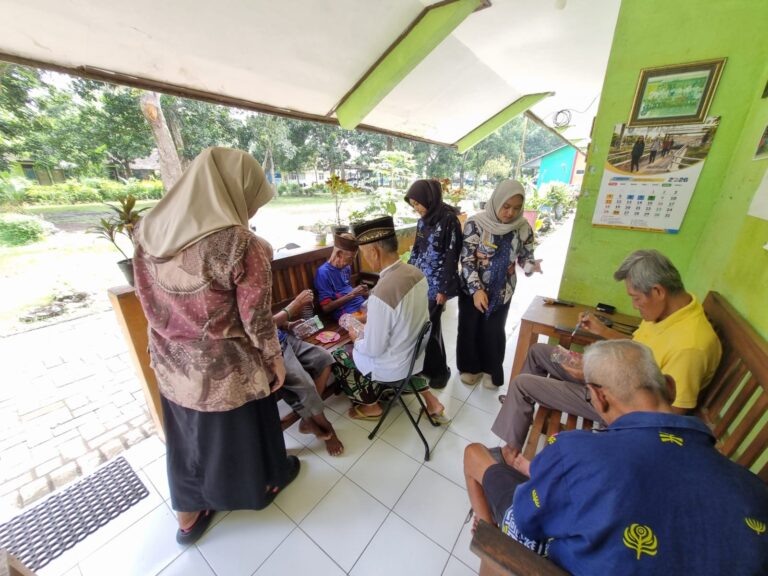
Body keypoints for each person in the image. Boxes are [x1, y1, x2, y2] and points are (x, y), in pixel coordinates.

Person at [465, 340, 768, 576]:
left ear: (599, 397)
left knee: (474, 455)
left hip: (548, 564)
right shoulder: (754, 489)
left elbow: (528, 520)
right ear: (670, 387)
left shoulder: (574, 451)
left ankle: (489, 541)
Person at [132, 147, 299, 544]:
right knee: (242, 430)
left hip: (171, 361)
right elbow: (256, 319)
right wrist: (274, 359)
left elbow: (144, 294)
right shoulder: (242, 244)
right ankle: (262, 485)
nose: (252, 210)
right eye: (251, 199)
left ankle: (188, 515)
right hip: (227, 368)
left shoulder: (147, 229)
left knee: (187, 436)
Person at [492, 249, 722, 475]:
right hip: (614, 378)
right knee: (539, 352)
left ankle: (509, 453)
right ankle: (519, 417)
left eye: (636, 298)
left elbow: (668, 416)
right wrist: (601, 331)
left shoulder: (690, 346)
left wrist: (595, 377)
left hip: (614, 403)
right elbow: (637, 347)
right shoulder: (668, 314)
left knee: (522, 384)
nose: (635, 306)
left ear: (658, 291)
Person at [341, 216, 448, 423]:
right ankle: (430, 400)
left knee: (342, 353)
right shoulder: (416, 273)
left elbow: (373, 349)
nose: (365, 258)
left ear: (374, 252)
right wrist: (372, 320)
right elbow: (402, 315)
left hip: (392, 366)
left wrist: (356, 338)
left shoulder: (381, 294)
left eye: (363, 253)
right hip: (414, 355)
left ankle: (371, 405)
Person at [457, 180, 542, 388]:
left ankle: (490, 370)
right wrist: (476, 290)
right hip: (471, 288)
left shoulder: (522, 227)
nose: (510, 213)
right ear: (496, 201)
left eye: (516, 208)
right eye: (506, 206)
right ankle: (470, 368)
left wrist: (531, 266)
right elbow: (467, 259)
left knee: (493, 330)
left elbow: (525, 256)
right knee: (469, 328)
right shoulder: (476, 224)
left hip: (502, 289)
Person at [405, 179, 463, 389]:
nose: (416, 208)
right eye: (413, 205)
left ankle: (440, 371)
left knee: (430, 327)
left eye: (417, 203)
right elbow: (416, 251)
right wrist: (407, 277)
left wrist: (444, 289)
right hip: (420, 282)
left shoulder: (449, 220)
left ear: (428, 198)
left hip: (437, 284)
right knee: (424, 327)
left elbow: (452, 255)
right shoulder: (422, 221)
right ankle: (427, 367)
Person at [273, 289, 343, 456]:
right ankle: (326, 427)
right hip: (270, 351)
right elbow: (256, 327)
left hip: (284, 339)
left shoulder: (255, 286)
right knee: (306, 386)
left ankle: (307, 418)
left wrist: (287, 325)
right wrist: (295, 304)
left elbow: (265, 318)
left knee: (324, 358)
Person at [314, 233, 368, 320]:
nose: (351, 263)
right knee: (375, 318)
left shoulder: (346, 267)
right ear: (339, 254)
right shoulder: (323, 273)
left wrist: (362, 292)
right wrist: (352, 294)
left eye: (353, 259)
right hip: (348, 315)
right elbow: (326, 308)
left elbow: (346, 289)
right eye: (350, 259)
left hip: (363, 306)